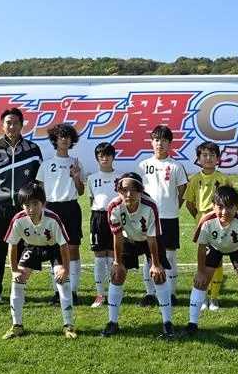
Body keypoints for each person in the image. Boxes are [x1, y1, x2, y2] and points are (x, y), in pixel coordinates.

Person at [0, 108, 43, 310]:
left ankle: (19, 289)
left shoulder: (32, 148)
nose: (11, 126)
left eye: (15, 123)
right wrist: (0, 195)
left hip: (25, 209)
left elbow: (38, 180)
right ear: (2, 125)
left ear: (22, 125)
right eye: (8, 123)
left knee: (26, 248)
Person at [184, 185, 238, 338]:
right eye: (220, 207)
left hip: (237, 249)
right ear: (213, 206)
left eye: (229, 207)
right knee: (200, 282)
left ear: (236, 207)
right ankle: (192, 324)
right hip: (214, 247)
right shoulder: (206, 221)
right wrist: (200, 272)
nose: (224, 212)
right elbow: (202, 248)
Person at [101, 172, 174, 339]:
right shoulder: (114, 206)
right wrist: (117, 262)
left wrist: (155, 264)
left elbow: (152, 238)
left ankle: (167, 322)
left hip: (150, 240)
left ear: (141, 191)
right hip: (128, 239)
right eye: (124, 190)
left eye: (133, 190)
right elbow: (117, 236)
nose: (128, 194)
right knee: (117, 275)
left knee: (159, 276)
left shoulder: (150, 206)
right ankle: (113, 322)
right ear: (118, 190)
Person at [1, 183, 76, 339]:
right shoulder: (18, 220)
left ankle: (68, 325)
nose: (31, 209)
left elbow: (64, 245)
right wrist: (14, 269)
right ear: (21, 205)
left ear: (44, 203)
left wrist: (65, 269)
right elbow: (12, 245)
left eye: (35, 204)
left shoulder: (53, 219)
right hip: (32, 247)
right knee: (17, 281)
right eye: (27, 205)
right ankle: (17, 325)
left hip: (54, 248)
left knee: (63, 282)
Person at [138, 125, 188, 306]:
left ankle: (171, 294)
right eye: (157, 140)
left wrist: (173, 207)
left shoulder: (176, 166)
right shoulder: (143, 165)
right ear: (151, 142)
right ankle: (150, 293)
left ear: (170, 143)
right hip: (148, 218)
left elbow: (183, 190)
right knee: (149, 257)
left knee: (170, 256)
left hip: (169, 218)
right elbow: (139, 191)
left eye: (164, 140)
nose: (160, 144)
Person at [36, 124, 85, 306]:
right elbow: (41, 192)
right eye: (60, 137)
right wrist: (43, 213)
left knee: (72, 249)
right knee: (54, 250)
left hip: (71, 208)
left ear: (72, 141)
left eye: (67, 137)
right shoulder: (46, 165)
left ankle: (73, 291)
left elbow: (80, 191)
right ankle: (58, 291)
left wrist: (76, 177)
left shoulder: (76, 163)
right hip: (52, 209)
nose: (64, 139)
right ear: (55, 140)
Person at [183, 141, 230, 311]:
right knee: (203, 261)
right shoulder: (195, 179)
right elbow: (189, 203)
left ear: (218, 158)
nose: (208, 158)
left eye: (212, 155)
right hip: (202, 222)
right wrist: (199, 217)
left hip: (220, 222)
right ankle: (202, 296)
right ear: (198, 159)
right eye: (204, 155)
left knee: (217, 260)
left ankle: (214, 297)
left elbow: (230, 202)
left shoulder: (224, 179)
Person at [85, 142, 119, 308]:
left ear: (113, 157)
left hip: (115, 217)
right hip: (97, 218)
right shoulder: (92, 178)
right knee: (99, 257)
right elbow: (91, 200)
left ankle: (113, 291)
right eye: (101, 156)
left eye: (107, 155)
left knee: (114, 256)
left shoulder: (120, 178)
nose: (104, 158)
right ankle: (100, 294)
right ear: (97, 158)